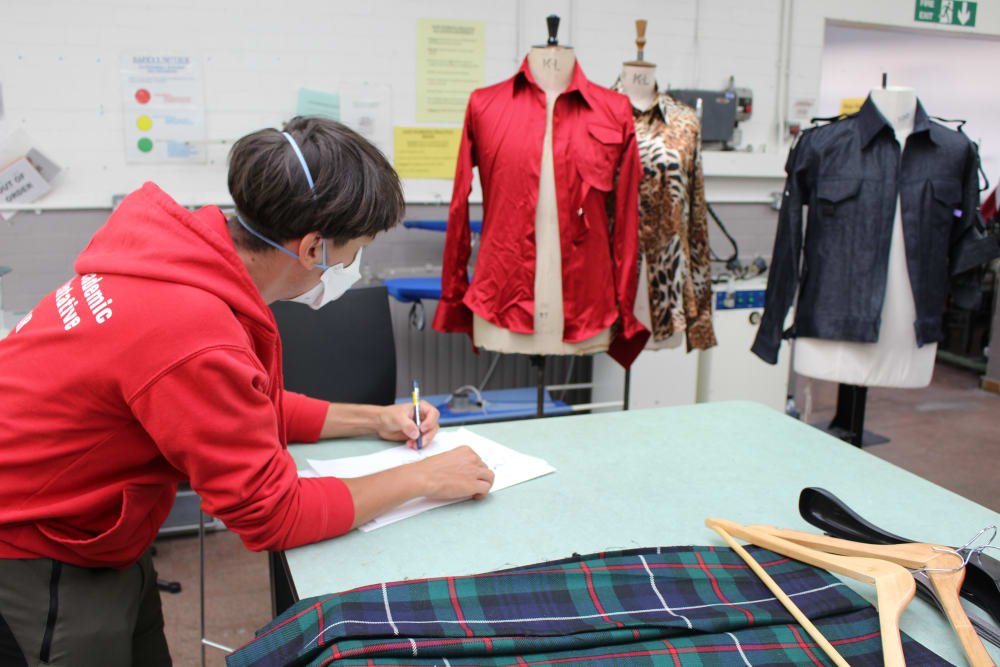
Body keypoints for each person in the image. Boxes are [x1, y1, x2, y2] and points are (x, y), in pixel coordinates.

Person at [0, 116, 495, 666]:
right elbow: (272, 513)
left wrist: (374, 418)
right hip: (32, 548)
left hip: (98, 530)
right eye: (355, 250)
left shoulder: (175, 257)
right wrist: (424, 476)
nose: (354, 267)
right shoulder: (192, 329)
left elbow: (237, 408)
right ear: (312, 248)